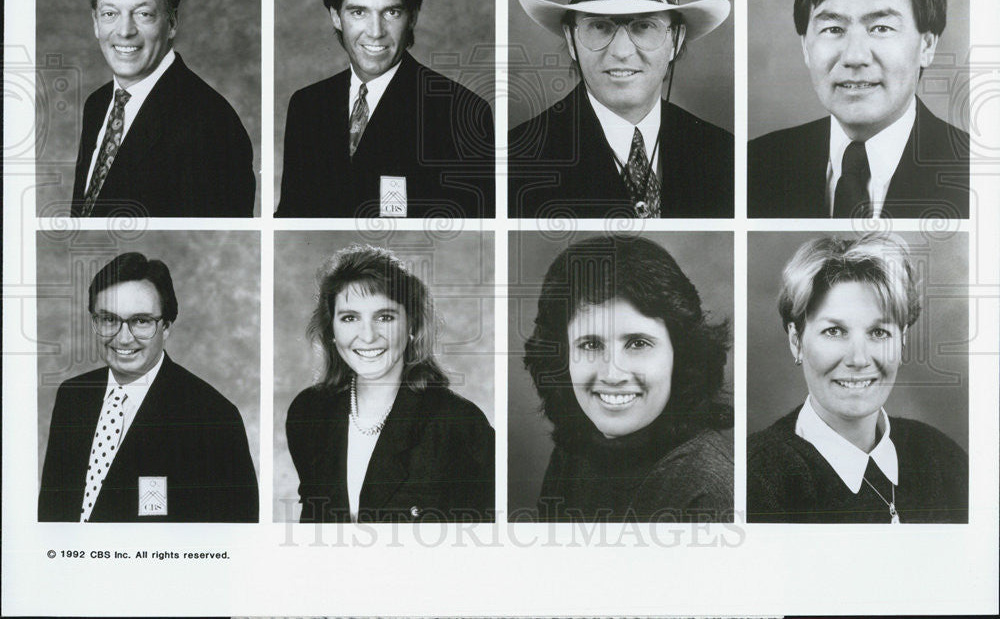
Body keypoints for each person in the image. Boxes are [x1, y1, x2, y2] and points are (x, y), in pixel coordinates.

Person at [509, 0, 733, 219]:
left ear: (676, 39)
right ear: (570, 39)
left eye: (644, 26)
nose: (622, 51)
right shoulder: (516, 160)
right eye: (601, 26)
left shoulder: (724, 153)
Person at [747, 234, 968, 523]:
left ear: (902, 341)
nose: (859, 359)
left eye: (879, 333)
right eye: (834, 331)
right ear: (796, 341)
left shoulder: (941, 457)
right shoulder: (758, 476)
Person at [748, 0, 970, 219]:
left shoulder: (976, 172)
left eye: (881, 28)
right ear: (805, 46)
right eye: (833, 29)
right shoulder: (756, 163)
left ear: (926, 45)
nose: (854, 57)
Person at [275, 0, 495, 218]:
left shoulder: (461, 112)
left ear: (412, 17)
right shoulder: (307, 106)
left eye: (391, 12)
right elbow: (291, 217)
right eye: (359, 12)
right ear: (336, 17)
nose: (375, 31)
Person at [522, 235, 733, 522]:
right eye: (591, 344)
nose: (612, 374)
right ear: (562, 358)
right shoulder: (575, 452)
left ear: (680, 355)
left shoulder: (706, 486)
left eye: (637, 343)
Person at [38, 252, 258, 522]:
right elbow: (51, 513)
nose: (123, 337)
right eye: (108, 319)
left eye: (141, 321)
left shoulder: (213, 417)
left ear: (166, 327)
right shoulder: (73, 396)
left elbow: (233, 541)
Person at [285, 245, 494, 522]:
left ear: (411, 326)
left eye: (384, 317)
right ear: (331, 331)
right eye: (350, 318)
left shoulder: (459, 424)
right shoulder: (308, 412)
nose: (368, 336)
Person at [70, 0, 255, 217]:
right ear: (95, 22)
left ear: (172, 23)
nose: (124, 30)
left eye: (143, 14)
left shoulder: (211, 123)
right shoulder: (98, 104)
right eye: (110, 13)